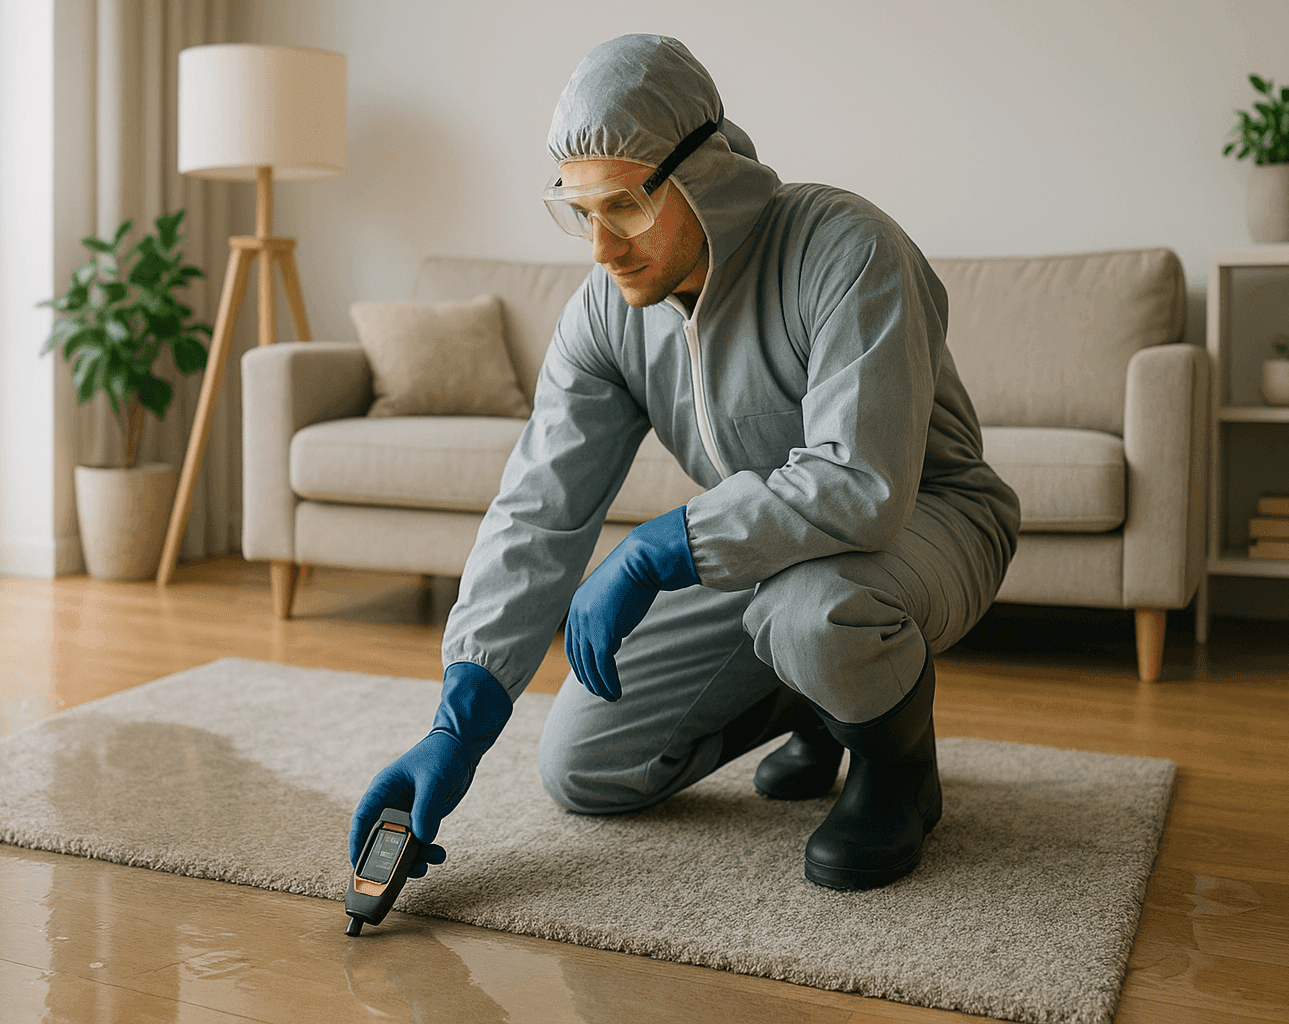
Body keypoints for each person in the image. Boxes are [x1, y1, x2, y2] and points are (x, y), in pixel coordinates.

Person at [349, 34, 1020, 891]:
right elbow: (539, 507)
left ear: (701, 172)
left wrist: (657, 546)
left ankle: (897, 772)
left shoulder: (846, 248)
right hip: (758, 556)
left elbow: (863, 485)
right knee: (585, 768)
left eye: (622, 207)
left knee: (813, 610)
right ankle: (811, 696)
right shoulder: (605, 313)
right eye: (579, 211)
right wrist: (458, 718)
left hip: (930, 517)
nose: (601, 247)